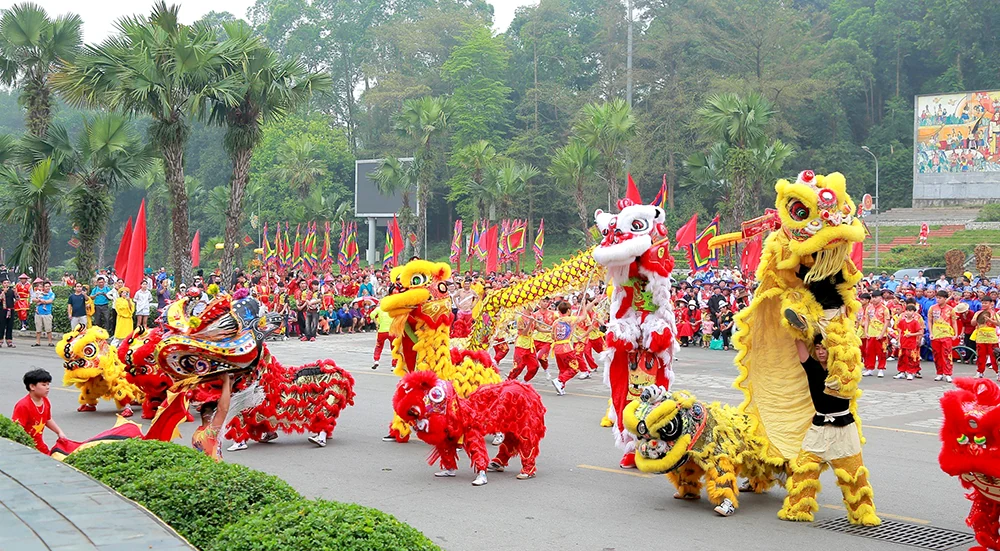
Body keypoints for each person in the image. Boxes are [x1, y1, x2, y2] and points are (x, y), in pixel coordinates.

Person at [12, 369, 67, 454]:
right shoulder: (23, 405)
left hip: (40, 446)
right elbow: (17, 429)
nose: (47, 387)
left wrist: (59, 432)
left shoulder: (45, 401)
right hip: (27, 448)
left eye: (48, 384)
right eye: (43, 385)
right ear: (32, 387)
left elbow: (47, 419)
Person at [192, 374, 232, 461]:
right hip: (214, 470)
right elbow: (223, 410)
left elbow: (223, 407)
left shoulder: (198, 433)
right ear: (207, 416)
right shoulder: (208, 434)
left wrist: (229, 385)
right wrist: (226, 381)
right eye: (216, 414)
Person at [550, 301, 582, 396]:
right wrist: (584, 306)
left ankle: (560, 387)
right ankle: (559, 380)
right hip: (566, 348)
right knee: (574, 368)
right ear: (568, 310)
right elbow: (583, 316)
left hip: (557, 348)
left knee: (563, 369)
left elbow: (552, 336)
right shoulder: (569, 319)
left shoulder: (555, 322)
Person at [929, 290, 959, 383]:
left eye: (940, 298)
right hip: (936, 334)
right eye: (937, 298)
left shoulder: (950, 309)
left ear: (945, 299)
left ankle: (948, 373)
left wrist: (955, 333)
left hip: (946, 334)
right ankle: (939, 373)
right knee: (937, 354)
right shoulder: (932, 308)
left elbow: (954, 322)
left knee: (947, 354)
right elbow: (930, 321)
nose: (938, 300)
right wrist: (931, 333)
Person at [508, 306, 540, 382]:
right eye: (533, 304)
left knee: (535, 366)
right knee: (518, 366)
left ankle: (525, 381)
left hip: (530, 345)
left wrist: (549, 331)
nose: (535, 305)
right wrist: (530, 323)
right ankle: (509, 380)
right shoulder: (520, 318)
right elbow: (524, 333)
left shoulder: (534, 316)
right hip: (521, 344)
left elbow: (537, 328)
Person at [862, 294, 890, 377]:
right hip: (871, 334)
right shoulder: (869, 308)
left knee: (881, 352)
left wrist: (882, 334)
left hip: (881, 334)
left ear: (880, 298)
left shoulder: (885, 309)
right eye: (872, 297)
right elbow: (866, 320)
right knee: (869, 352)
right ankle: (870, 369)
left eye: (875, 297)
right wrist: (866, 332)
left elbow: (886, 322)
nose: (873, 299)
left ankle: (881, 369)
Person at [894, 304, 923, 380]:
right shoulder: (902, 321)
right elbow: (900, 331)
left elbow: (920, 332)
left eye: (910, 311)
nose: (908, 312)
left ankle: (910, 372)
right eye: (907, 310)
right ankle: (902, 372)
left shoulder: (915, 322)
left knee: (911, 357)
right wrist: (899, 341)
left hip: (911, 343)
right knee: (902, 357)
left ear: (914, 312)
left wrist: (912, 334)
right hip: (903, 342)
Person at [974, 301, 999, 379]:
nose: (984, 305)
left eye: (986, 303)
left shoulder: (994, 313)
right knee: (981, 356)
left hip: (992, 339)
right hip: (981, 338)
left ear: (990, 303)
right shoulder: (978, 313)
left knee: (994, 357)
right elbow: (972, 323)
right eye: (983, 303)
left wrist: (989, 320)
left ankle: (998, 372)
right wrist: (977, 319)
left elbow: (998, 323)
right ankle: (980, 372)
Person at [32, 281, 55, 348]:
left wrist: (40, 301)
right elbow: (33, 299)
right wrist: (41, 301)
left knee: (48, 329)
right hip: (38, 313)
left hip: (47, 313)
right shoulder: (39, 293)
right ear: (43, 287)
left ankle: (50, 342)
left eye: (48, 286)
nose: (47, 288)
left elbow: (49, 301)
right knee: (38, 329)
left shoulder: (51, 294)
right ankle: (37, 342)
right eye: (46, 286)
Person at [370, 305, 393, 370]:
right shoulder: (393, 308)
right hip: (392, 331)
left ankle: (376, 360)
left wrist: (376, 323)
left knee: (379, 346)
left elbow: (371, 315)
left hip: (382, 331)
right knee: (394, 348)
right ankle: (393, 365)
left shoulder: (378, 309)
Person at [1, 279, 15, 347]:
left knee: (10, 326)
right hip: (2, 310)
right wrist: (3, 292)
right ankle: (0, 340)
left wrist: (16, 292)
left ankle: (9, 340)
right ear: (2, 284)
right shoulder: (0, 291)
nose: (6, 284)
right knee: (1, 326)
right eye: (5, 283)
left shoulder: (11, 291)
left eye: (7, 283)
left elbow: (17, 298)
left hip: (11, 309)